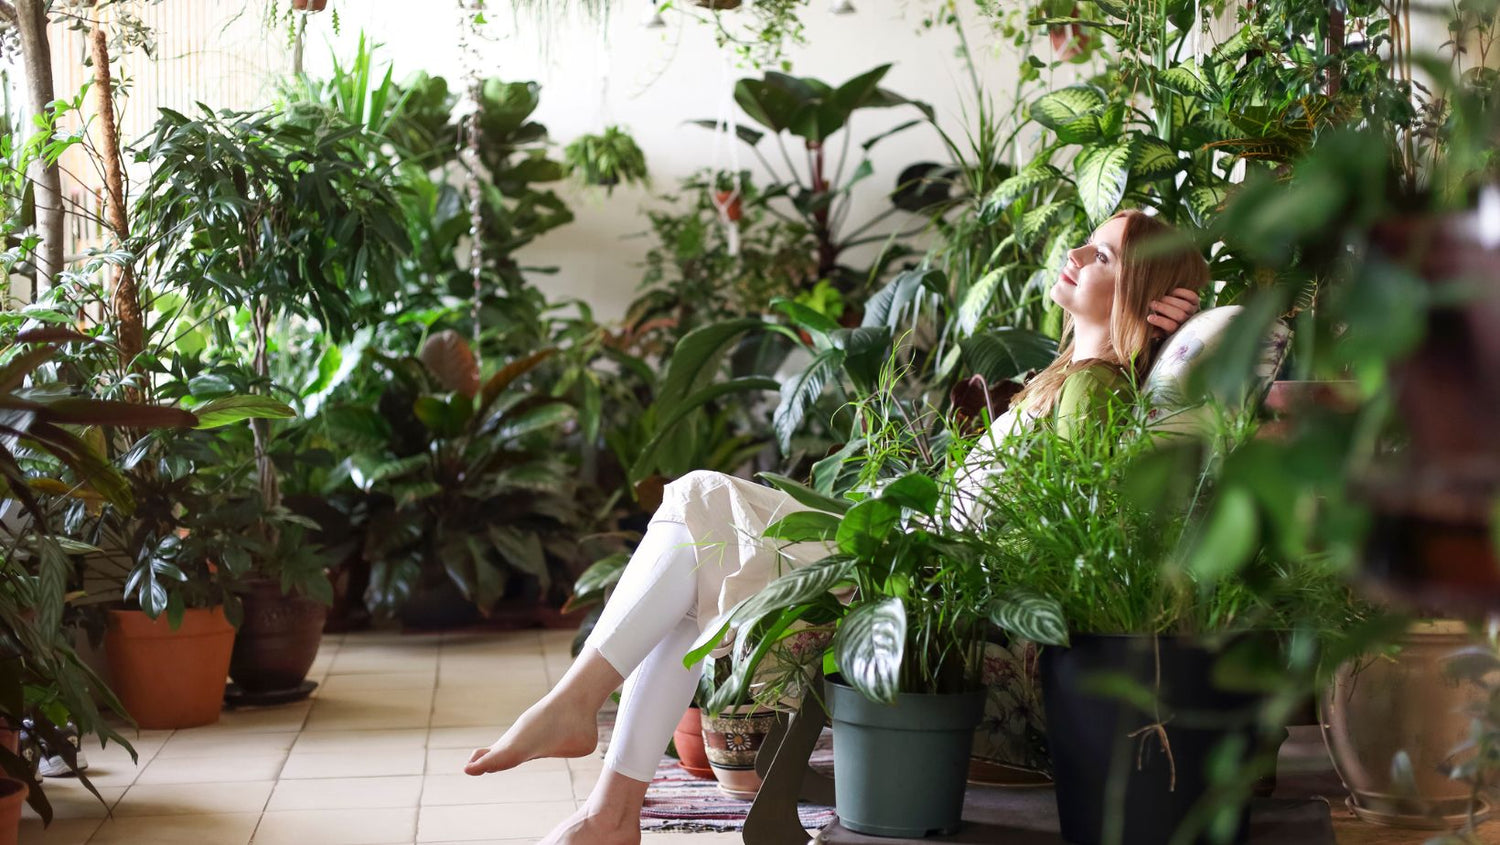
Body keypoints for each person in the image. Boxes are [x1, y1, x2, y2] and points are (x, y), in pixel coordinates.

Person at [463, 209, 1208, 845]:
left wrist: (1180, 342)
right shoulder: (1065, 381)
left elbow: (1067, 531)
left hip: (927, 591)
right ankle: (606, 807)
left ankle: (587, 747)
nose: (1075, 254)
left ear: (1140, 297)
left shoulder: (1094, 392)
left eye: (1104, 255)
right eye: (1087, 240)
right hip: (909, 557)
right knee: (695, 546)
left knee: (696, 505)